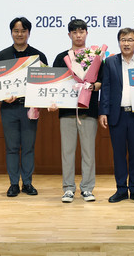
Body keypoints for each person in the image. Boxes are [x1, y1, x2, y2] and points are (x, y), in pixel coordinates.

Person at [99, 27, 134, 203]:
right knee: (119, 155)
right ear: (119, 42)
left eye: (130, 40)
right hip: (117, 115)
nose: (126, 43)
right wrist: (103, 112)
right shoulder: (110, 62)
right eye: (123, 40)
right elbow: (105, 88)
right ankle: (121, 189)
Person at [0, 17, 48, 198]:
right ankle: (13, 184)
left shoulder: (38, 56)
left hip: (29, 109)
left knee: (28, 147)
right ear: (11, 33)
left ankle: (27, 183)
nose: (19, 34)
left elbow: (44, 83)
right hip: (8, 108)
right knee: (11, 147)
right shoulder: (2, 56)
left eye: (23, 31)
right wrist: (3, 96)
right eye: (16, 31)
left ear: (29, 33)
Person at [52, 19, 102, 203]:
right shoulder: (61, 57)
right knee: (67, 152)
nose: (78, 35)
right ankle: (68, 188)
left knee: (88, 152)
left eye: (82, 31)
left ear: (87, 33)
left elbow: (101, 82)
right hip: (66, 111)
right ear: (69, 35)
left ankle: (87, 189)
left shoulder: (96, 57)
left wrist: (90, 86)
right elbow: (55, 83)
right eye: (75, 32)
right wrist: (53, 102)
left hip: (89, 110)